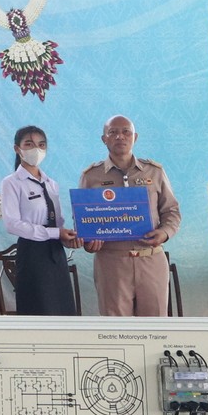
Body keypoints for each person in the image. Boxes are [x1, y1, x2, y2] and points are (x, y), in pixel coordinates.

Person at [78, 115, 180, 316]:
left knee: (155, 327)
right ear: (104, 139)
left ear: (135, 137)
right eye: (113, 132)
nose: (120, 137)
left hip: (151, 259)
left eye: (126, 132)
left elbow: (172, 211)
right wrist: (89, 241)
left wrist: (164, 233)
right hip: (111, 262)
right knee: (116, 328)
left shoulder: (154, 172)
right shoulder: (91, 176)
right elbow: (83, 218)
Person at [2, 125, 79, 315]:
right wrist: (55, 233)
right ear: (17, 149)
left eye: (41, 145)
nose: (36, 149)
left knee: (62, 310)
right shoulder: (11, 183)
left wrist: (68, 238)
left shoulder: (51, 184)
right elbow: (12, 224)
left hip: (56, 253)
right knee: (39, 309)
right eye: (29, 144)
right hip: (32, 254)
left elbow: (57, 222)